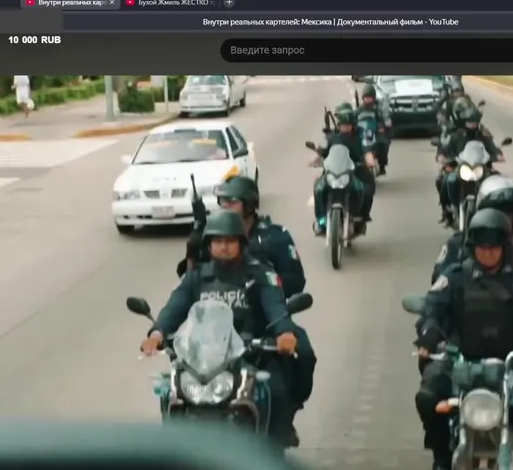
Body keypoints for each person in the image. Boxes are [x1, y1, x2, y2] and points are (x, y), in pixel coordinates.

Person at [414, 209, 513, 470]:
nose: (488, 251)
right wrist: (428, 336)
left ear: (505, 246)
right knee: (427, 397)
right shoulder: (456, 275)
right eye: (482, 246)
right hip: (460, 359)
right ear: (472, 247)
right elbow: (431, 307)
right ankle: (441, 456)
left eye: (494, 245)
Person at [140, 211, 300, 447]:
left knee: (276, 392)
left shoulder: (260, 275)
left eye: (230, 241)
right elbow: (175, 306)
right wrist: (157, 334)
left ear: (241, 243)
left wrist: (284, 333)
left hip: (251, 355)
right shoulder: (197, 277)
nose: (223, 246)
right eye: (218, 241)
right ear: (209, 245)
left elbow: (275, 306)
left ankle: (272, 455)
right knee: (171, 391)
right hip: (203, 357)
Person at [208, 175, 317, 411]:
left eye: (232, 201)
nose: (225, 206)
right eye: (222, 201)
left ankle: (288, 411)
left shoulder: (275, 236)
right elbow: (192, 280)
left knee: (303, 354)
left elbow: (296, 281)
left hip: (266, 321)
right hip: (216, 322)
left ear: (249, 204)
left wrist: (266, 291)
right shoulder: (212, 234)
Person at [431, 176, 513, 289]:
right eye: (497, 213)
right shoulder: (458, 244)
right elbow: (438, 285)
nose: (504, 219)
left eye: (509, 213)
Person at [312, 107, 377, 235]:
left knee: (367, 189)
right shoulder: (331, 137)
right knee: (318, 188)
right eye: (342, 125)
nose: (345, 127)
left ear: (353, 125)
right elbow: (321, 150)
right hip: (334, 171)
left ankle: (361, 218)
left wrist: (369, 160)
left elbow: (367, 149)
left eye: (347, 125)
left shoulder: (361, 136)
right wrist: (314, 159)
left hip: (356, 170)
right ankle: (321, 220)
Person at [435, 106, 504, 227]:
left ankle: (495, 212)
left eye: (474, 122)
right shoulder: (455, 136)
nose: (472, 125)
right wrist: (443, 157)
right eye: (470, 122)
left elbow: (493, 148)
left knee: (498, 182)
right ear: (464, 122)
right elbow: (444, 150)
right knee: (445, 179)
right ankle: (447, 211)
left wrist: (498, 155)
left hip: (481, 168)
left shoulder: (483, 136)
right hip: (459, 168)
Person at [357, 82, 392, 172]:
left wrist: (382, 127)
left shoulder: (377, 111)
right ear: (363, 98)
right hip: (361, 135)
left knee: (383, 143)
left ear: (374, 98)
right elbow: (352, 121)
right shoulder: (358, 111)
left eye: (370, 98)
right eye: (366, 98)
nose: (368, 100)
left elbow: (383, 120)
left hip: (374, 134)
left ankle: (382, 165)